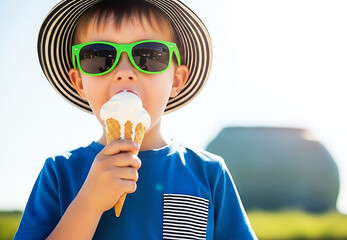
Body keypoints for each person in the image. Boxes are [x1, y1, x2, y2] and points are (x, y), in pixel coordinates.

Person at [14, 0, 257, 239]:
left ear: (176, 81)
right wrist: (88, 203)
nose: (124, 73)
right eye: (99, 57)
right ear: (79, 82)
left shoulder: (209, 173)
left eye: (149, 55)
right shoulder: (59, 173)